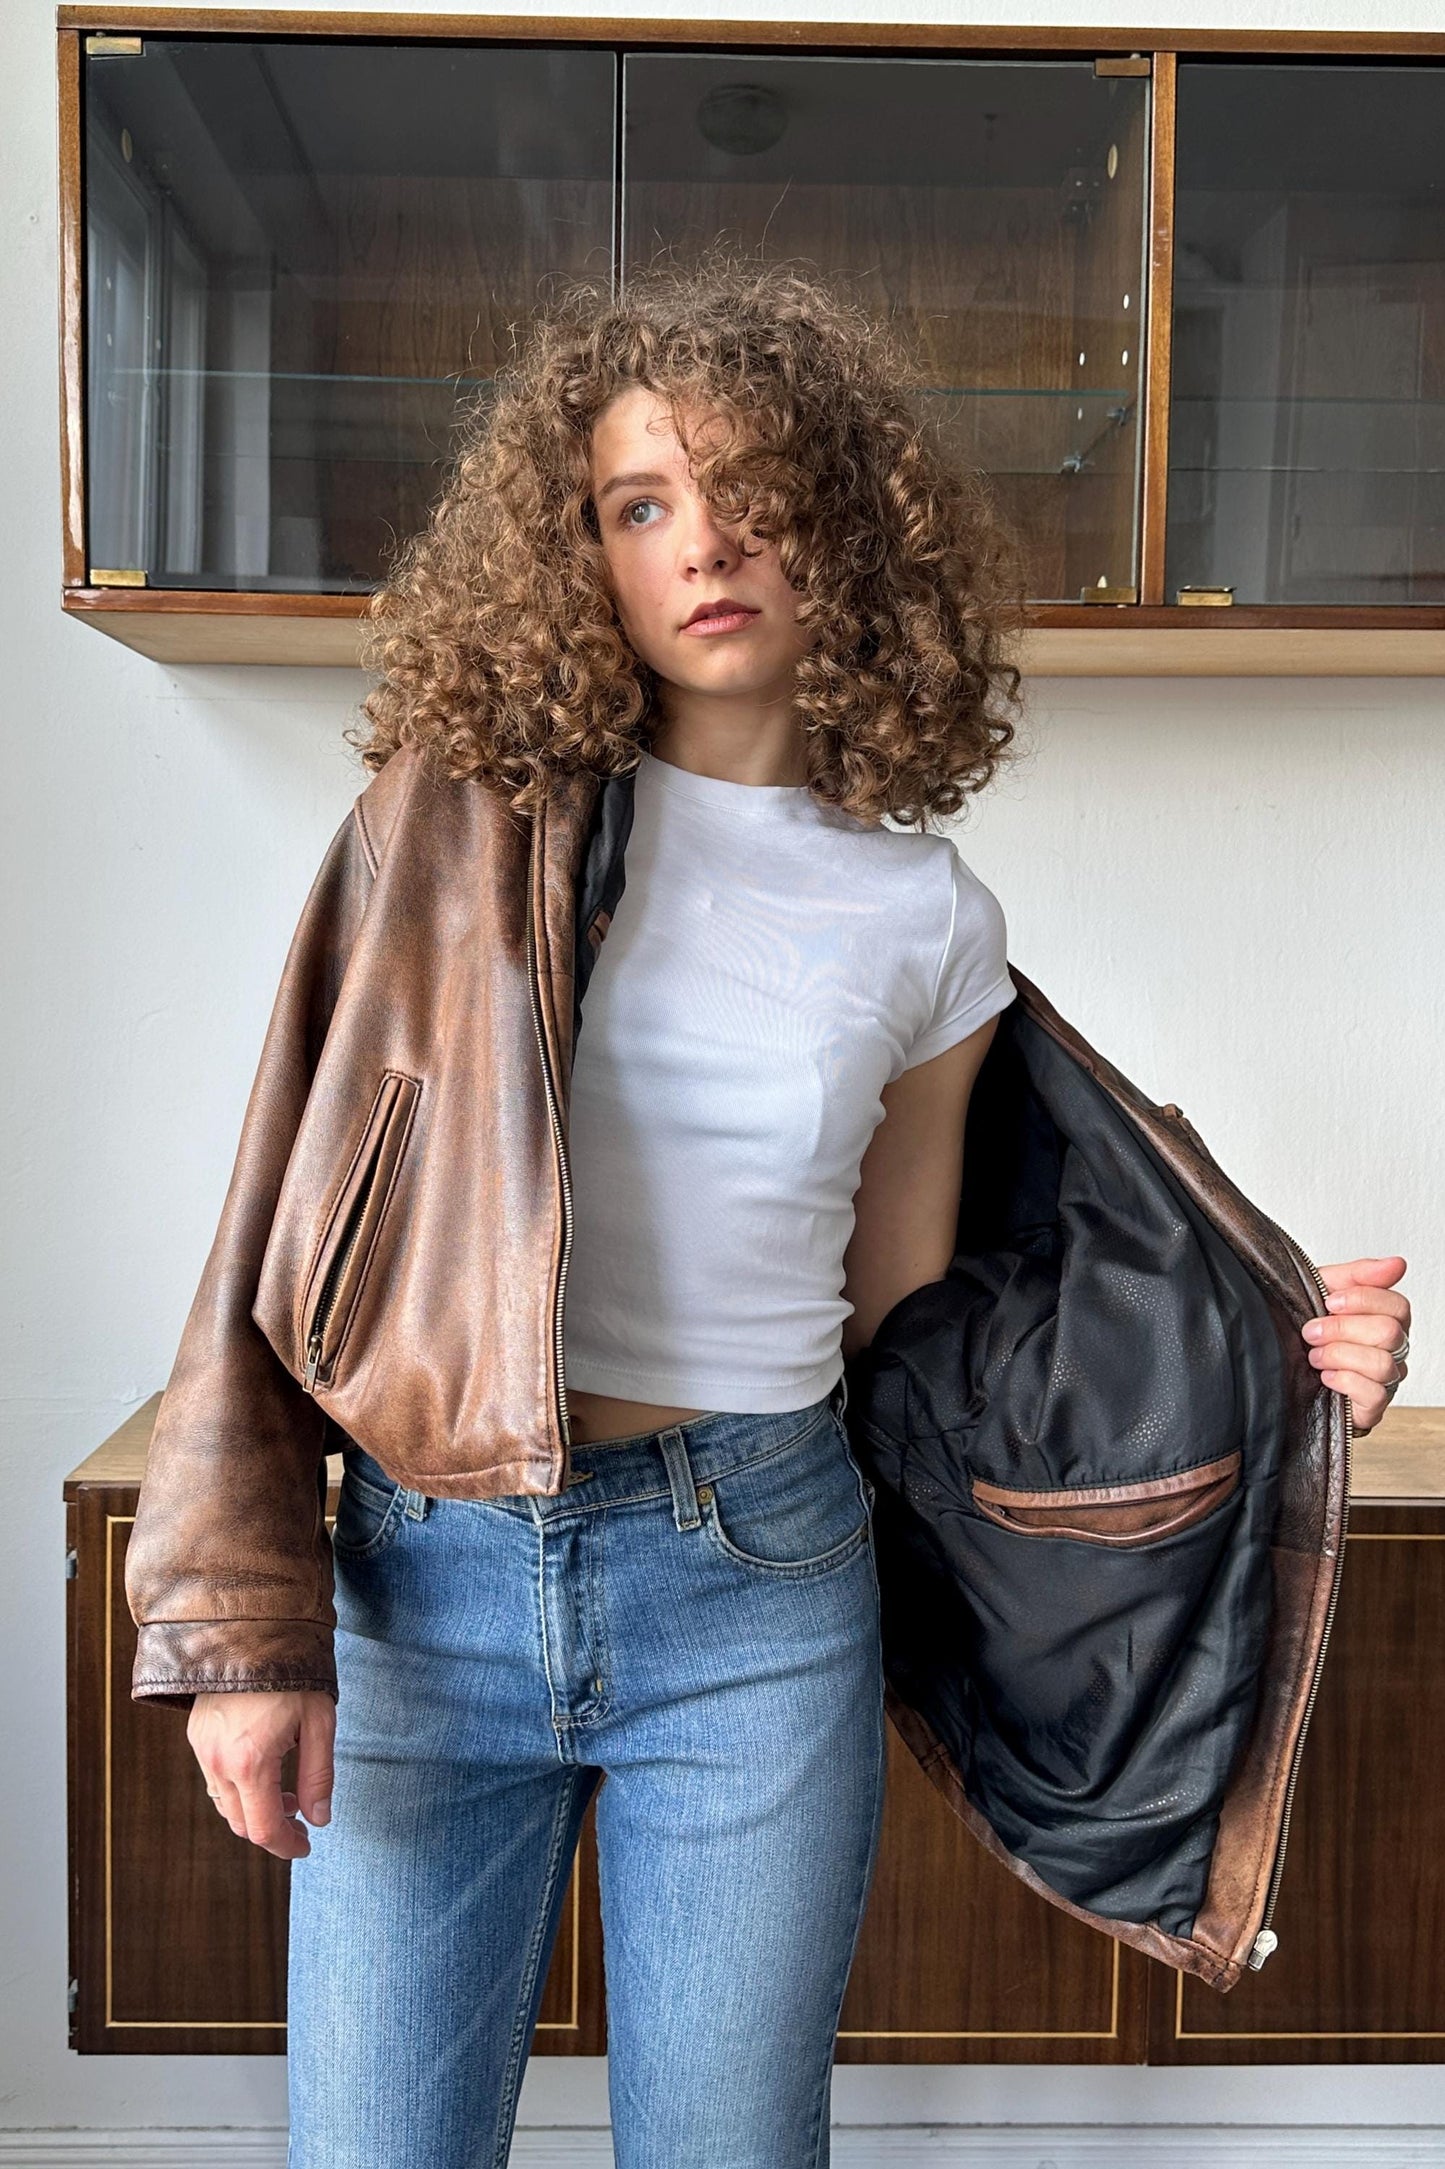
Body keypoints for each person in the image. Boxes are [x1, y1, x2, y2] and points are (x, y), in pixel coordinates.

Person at [165, 258, 1410, 2168]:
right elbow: (275, 1223)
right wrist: (247, 1632)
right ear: (574, 553)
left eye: (751, 488)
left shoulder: (924, 917)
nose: (703, 542)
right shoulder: (449, 821)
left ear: (851, 526)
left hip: (753, 1579)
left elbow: (913, 1323)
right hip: (426, 1575)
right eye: (637, 503)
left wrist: (1268, 1338)